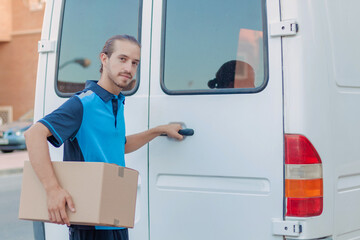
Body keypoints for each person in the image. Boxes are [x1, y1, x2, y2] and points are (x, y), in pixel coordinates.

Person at [24, 35, 183, 240]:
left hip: (115, 216)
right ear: (104, 59)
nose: (129, 68)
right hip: (90, 225)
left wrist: (158, 130)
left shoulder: (116, 102)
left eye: (135, 63)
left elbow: (118, 145)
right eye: (122, 59)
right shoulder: (84, 103)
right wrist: (52, 190)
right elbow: (34, 134)